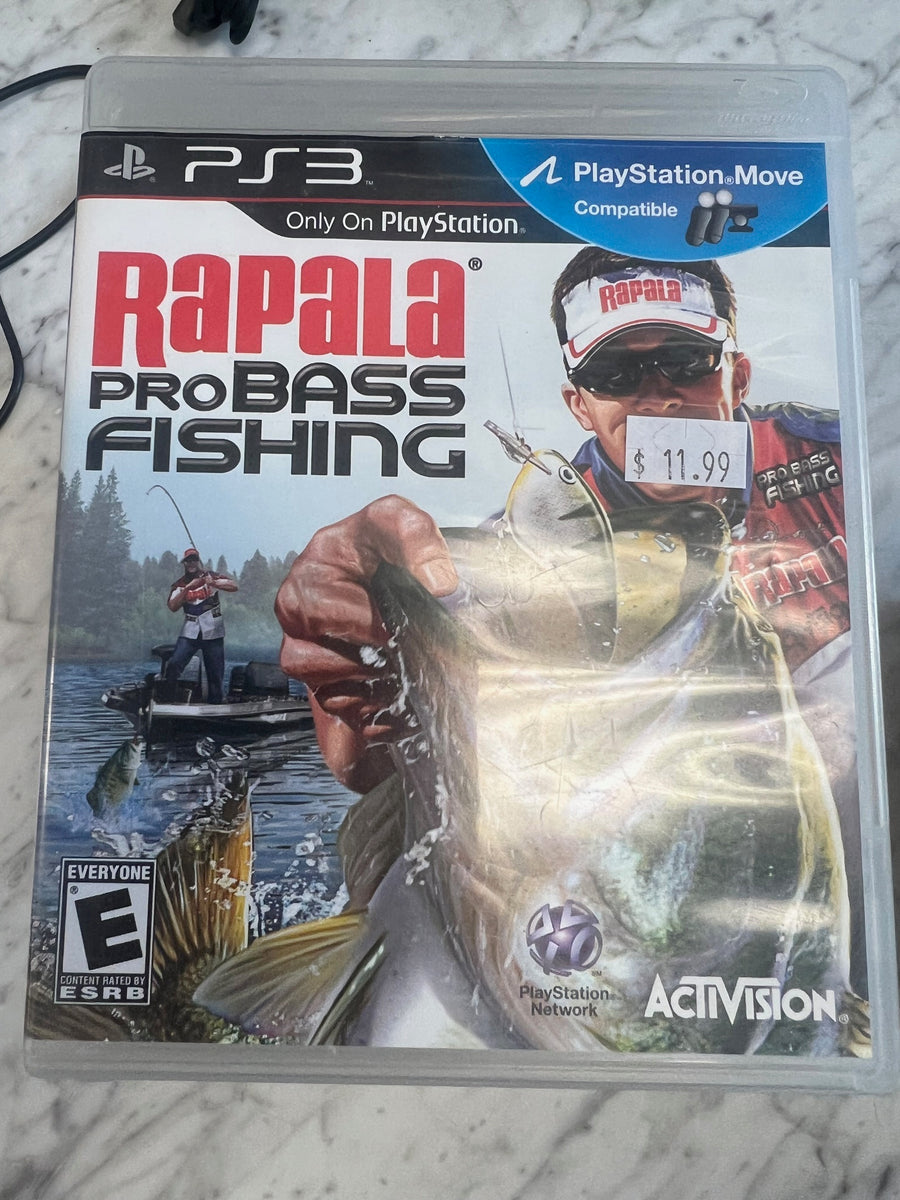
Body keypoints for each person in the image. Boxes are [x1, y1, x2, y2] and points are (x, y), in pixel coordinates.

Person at [274, 247, 863, 989]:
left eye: (686, 362)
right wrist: (354, 638)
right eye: (616, 374)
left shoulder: (846, 462)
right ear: (579, 403)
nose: (659, 397)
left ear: (736, 374)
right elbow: (362, 768)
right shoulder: (533, 544)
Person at [164, 548, 239, 704]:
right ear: (184, 564)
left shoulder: (211, 576)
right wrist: (188, 588)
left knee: (215, 671)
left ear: (198, 561)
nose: (191, 563)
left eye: (194, 560)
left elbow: (234, 586)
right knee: (175, 663)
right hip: (190, 631)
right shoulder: (180, 584)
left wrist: (214, 583)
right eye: (188, 561)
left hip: (213, 630)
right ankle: (167, 697)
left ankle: (216, 702)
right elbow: (172, 606)